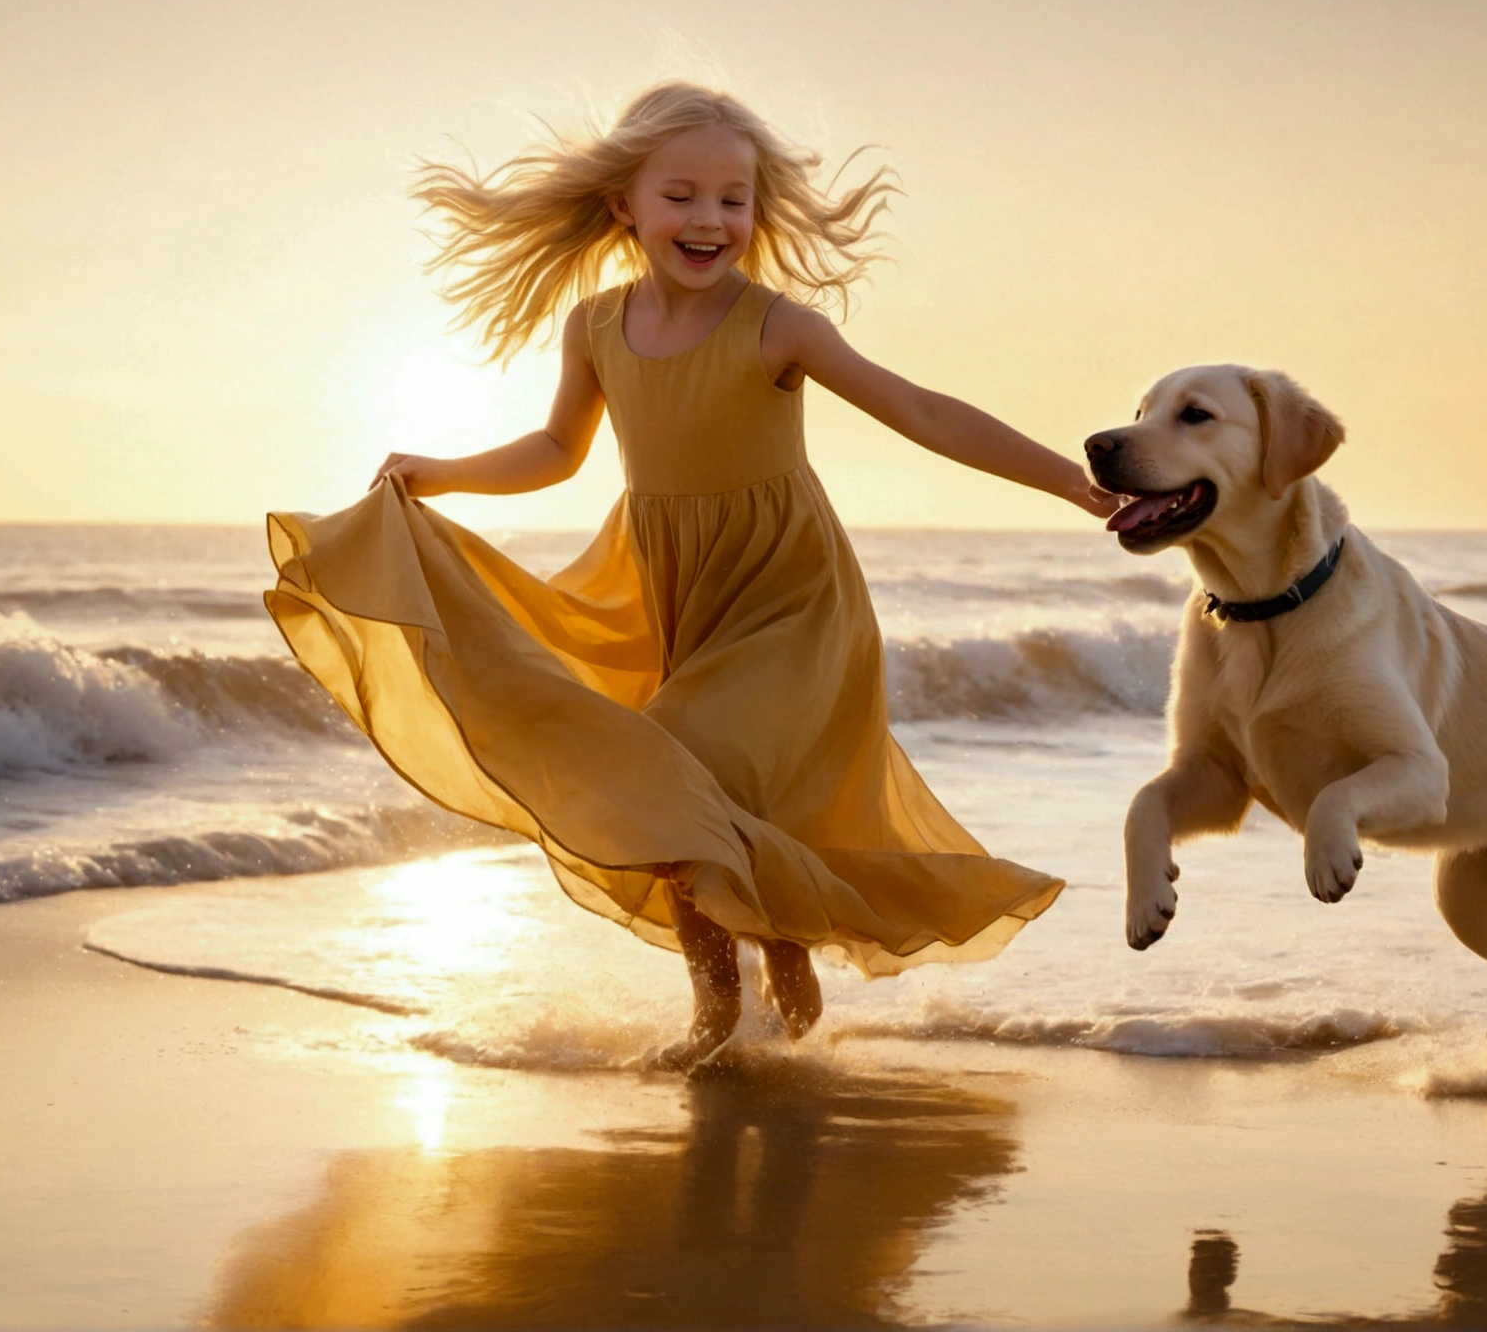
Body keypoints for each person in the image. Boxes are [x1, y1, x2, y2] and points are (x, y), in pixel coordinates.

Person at [265, 82, 1116, 1068]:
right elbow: (554, 448)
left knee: (672, 764)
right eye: (681, 195)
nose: (709, 219)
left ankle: (749, 1003)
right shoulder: (593, 326)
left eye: (732, 199)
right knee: (676, 797)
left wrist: (1069, 480)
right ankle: (732, 1004)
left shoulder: (776, 325)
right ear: (623, 203)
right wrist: (442, 474)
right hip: (677, 593)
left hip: (793, 602)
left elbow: (919, 408)